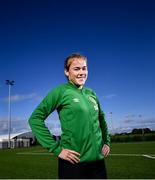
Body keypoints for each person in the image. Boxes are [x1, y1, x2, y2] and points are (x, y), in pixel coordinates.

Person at [28, 53, 110, 179]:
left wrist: (106, 141)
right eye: (76, 69)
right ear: (67, 72)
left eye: (84, 68)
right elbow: (35, 119)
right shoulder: (60, 91)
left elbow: (101, 118)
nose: (82, 72)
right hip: (73, 164)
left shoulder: (91, 93)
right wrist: (57, 149)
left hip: (98, 164)